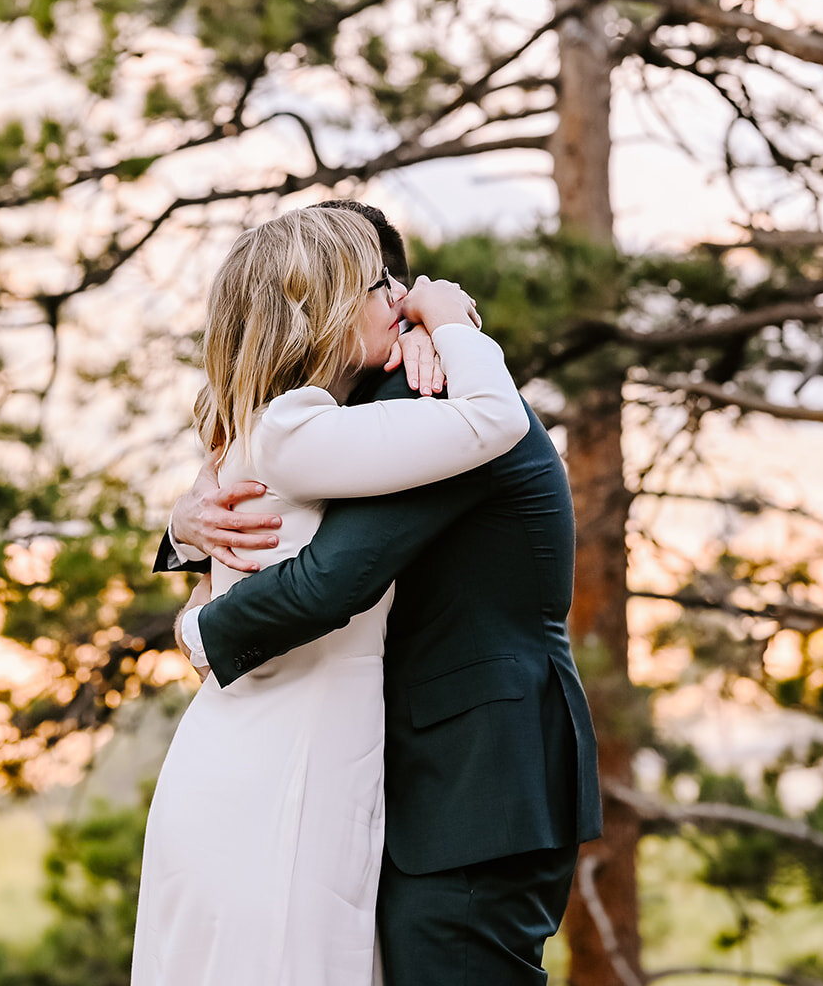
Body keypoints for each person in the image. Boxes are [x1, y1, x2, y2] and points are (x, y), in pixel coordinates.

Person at [160, 201, 602, 986]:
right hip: (401, 780)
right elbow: (274, 508)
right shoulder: (340, 416)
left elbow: (331, 578)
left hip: (475, 782)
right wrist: (182, 526)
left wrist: (197, 632)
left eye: (386, 283)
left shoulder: (433, 397)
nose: (392, 299)